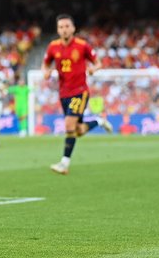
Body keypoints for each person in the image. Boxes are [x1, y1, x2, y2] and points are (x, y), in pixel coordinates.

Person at [42, 14, 113, 175]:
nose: (64, 29)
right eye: (61, 27)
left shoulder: (82, 46)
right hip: (63, 93)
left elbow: (98, 62)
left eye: (67, 26)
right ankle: (98, 121)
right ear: (57, 29)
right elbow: (45, 64)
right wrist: (45, 72)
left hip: (79, 92)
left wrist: (94, 69)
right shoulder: (53, 47)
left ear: (73, 28)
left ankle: (64, 163)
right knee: (78, 130)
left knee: (68, 126)